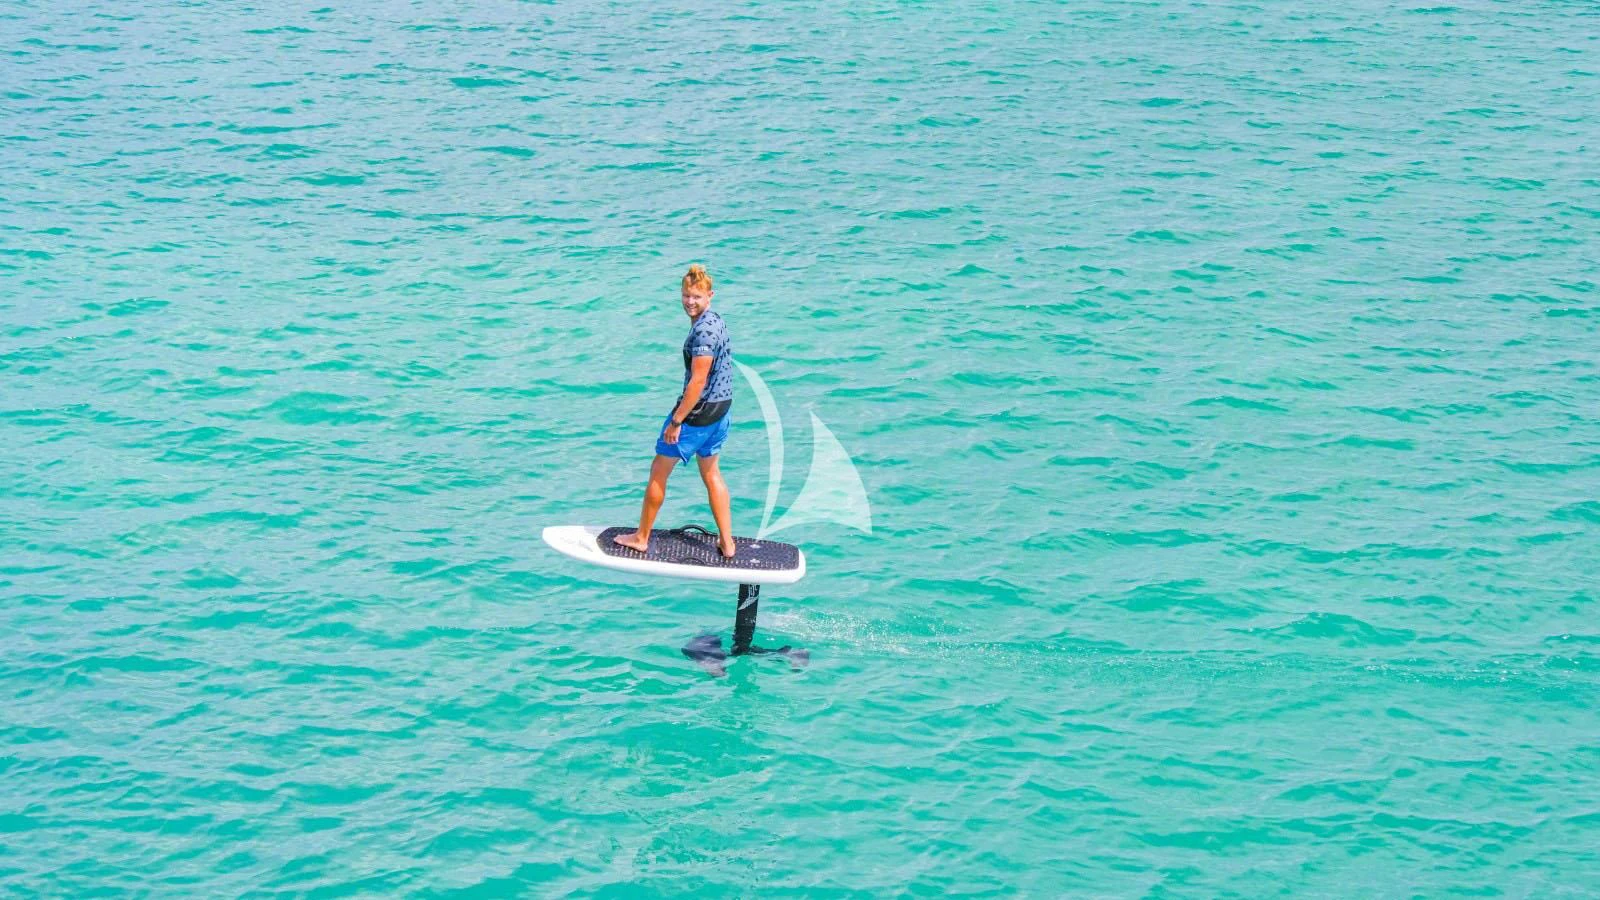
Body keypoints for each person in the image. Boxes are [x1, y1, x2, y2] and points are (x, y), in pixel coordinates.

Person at [613, 264, 737, 558]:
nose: (689, 302)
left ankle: (641, 537)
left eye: (696, 296)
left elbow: (697, 381)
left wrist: (678, 420)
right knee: (711, 473)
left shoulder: (704, 333)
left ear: (710, 295)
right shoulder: (716, 321)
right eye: (685, 295)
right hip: (721, 412)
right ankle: (727, 543)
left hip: (697, 416)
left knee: (659, 470)